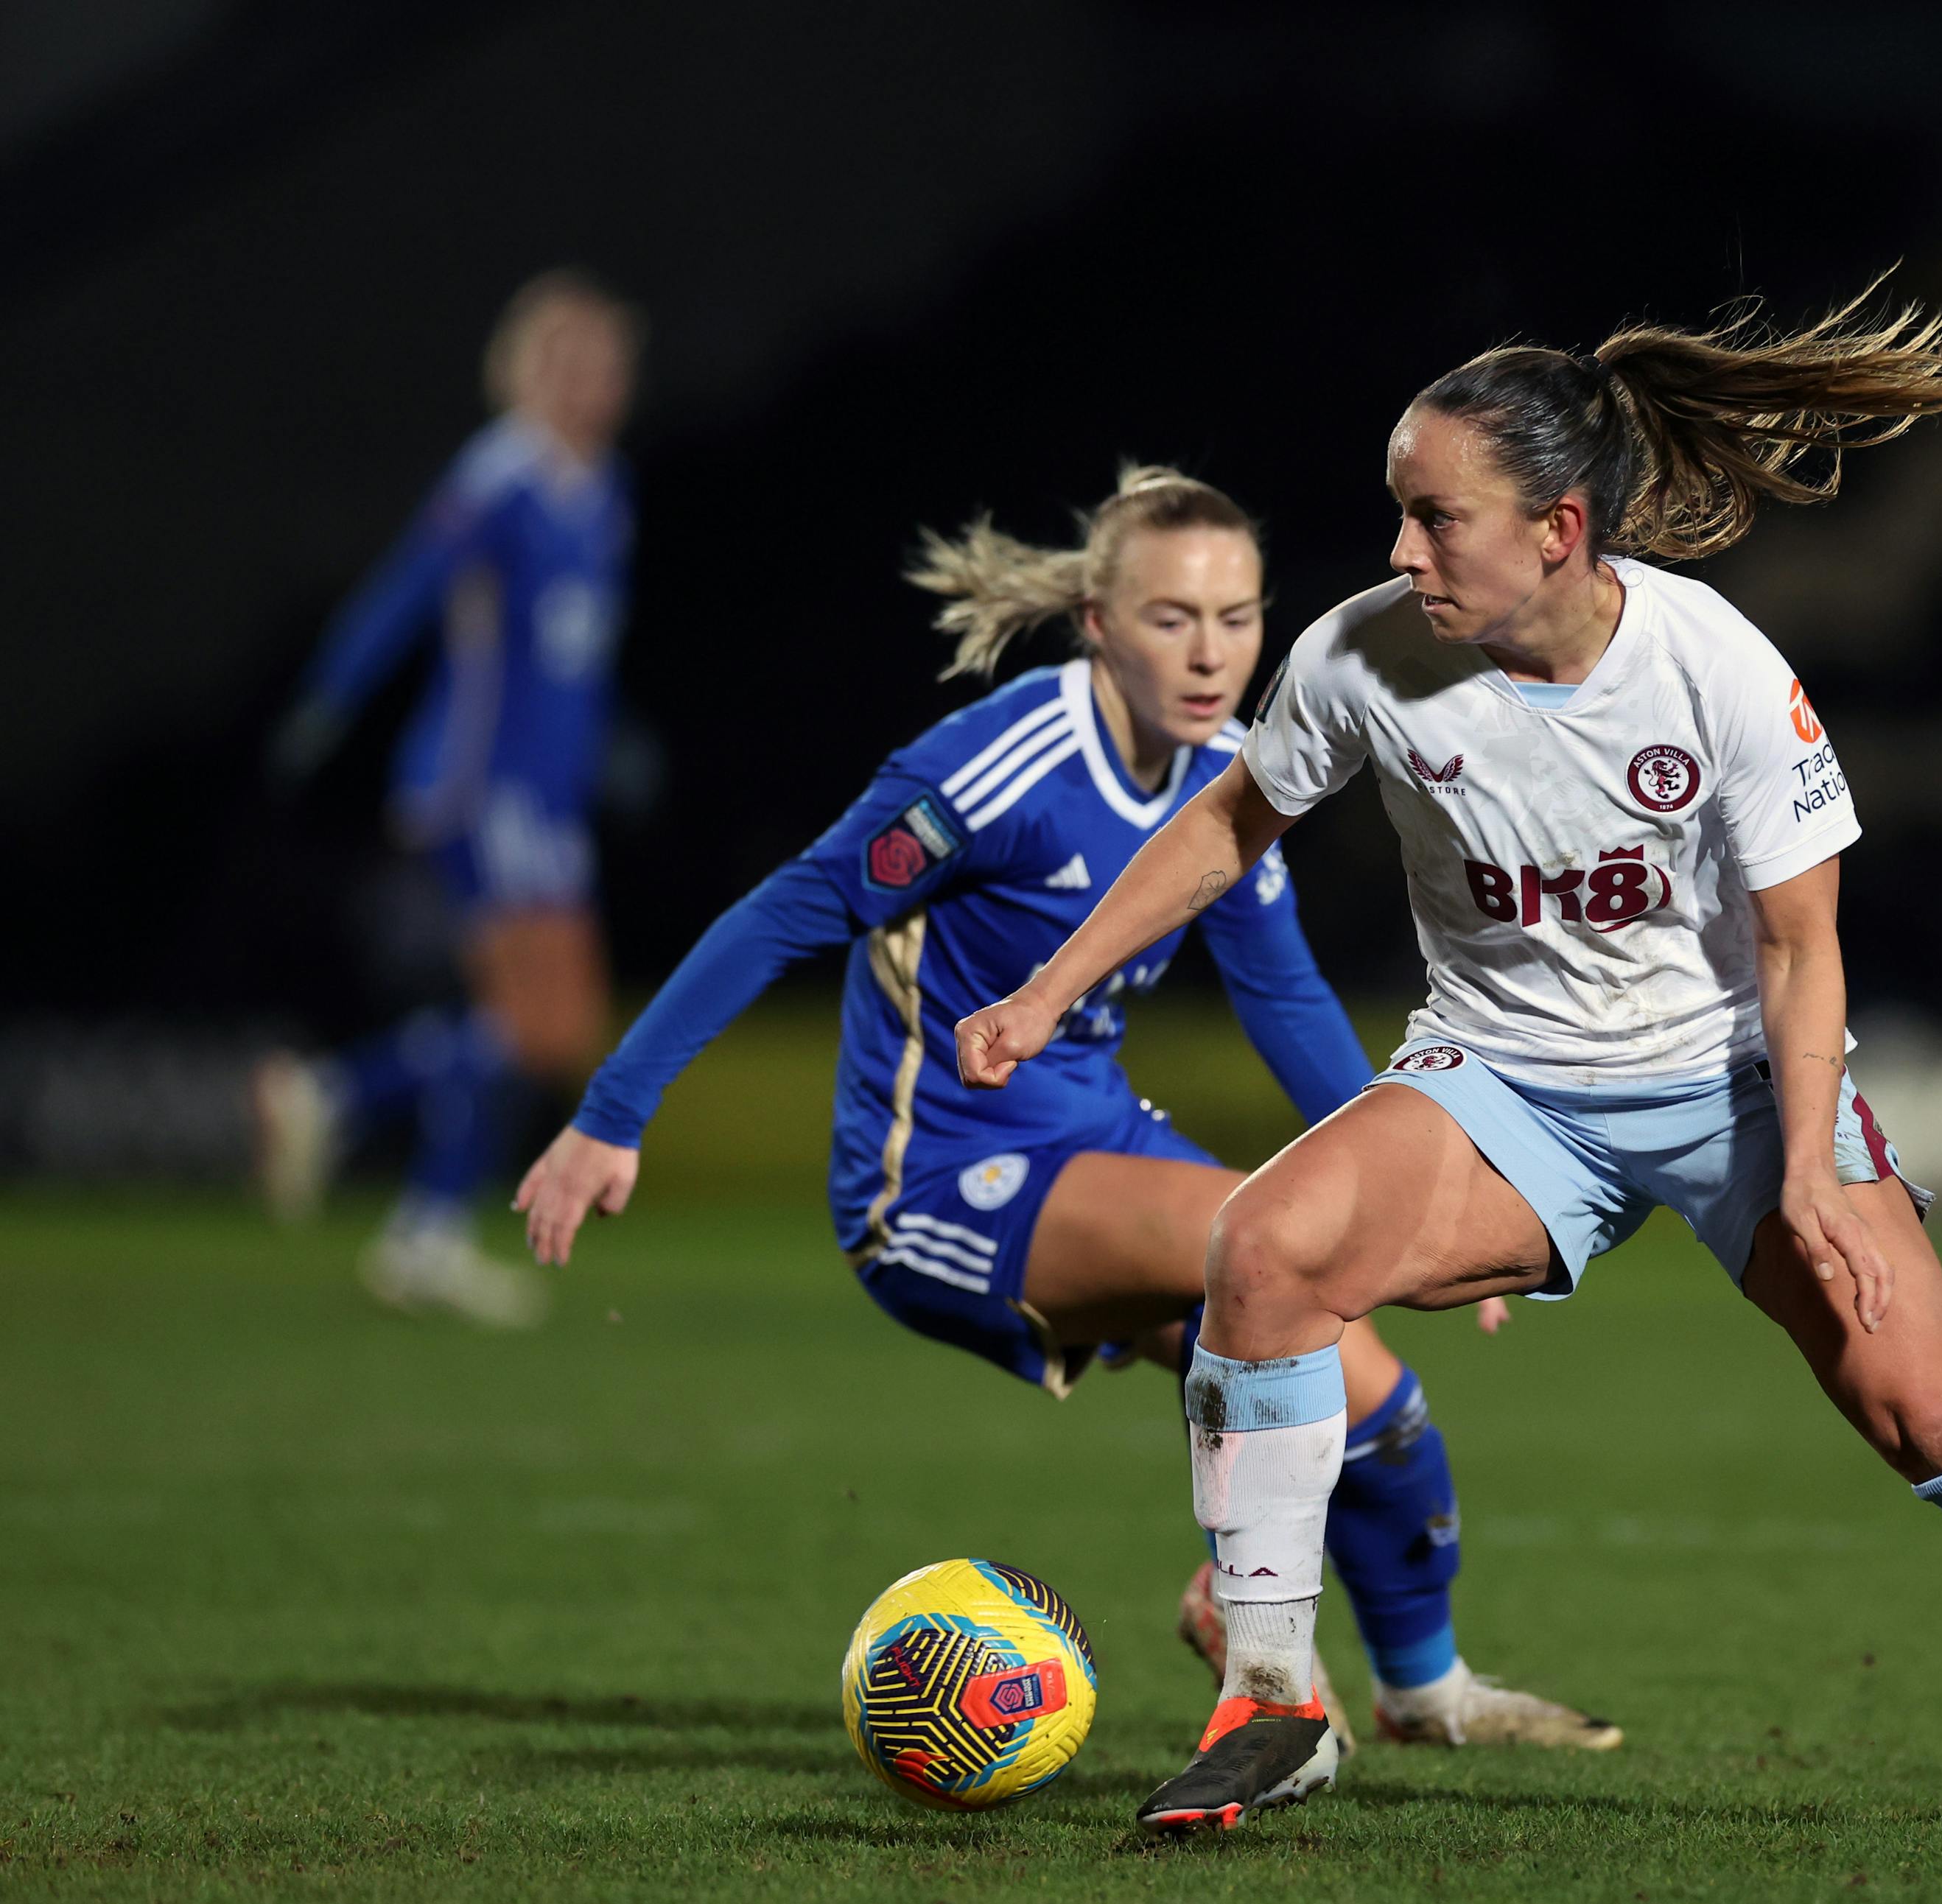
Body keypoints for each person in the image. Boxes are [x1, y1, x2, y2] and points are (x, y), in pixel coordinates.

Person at [956, 285, 1942, 1845]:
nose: (1402, 551)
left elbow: (1806, 952)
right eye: (1398, 513)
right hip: (1502, 1086)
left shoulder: (1717, 671)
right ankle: (1274, 1703)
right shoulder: (1363, 659)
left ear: (1560, 527)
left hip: (1738, 1088)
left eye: (1434, 518)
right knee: (1262, 1251)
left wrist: (1807, 1171)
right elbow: (1224, 823)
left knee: (1938, 1423)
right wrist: (1051, 987)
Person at [513, 466, 1613, 1754]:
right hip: (937, 1184)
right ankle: (1271, 1688)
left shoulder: (1226, 773)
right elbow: (786, 911)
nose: (1213, 655)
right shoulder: (995, 769)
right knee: (1266, 1247)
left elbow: (1285, 997)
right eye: (1172, 619)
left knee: (1375, 1398)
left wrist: (1424, 1176)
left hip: (1096, 1146)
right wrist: (611, 1112)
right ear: (1097, 622)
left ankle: (1423, 1691)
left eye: (1240, 617)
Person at [254, 270, 641, 1328]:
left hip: (548, 795)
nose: (595, 384)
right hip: (485, 786)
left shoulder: (600, 492)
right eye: (573, 363)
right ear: (524, 372)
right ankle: (394, 1183)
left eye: (608, 365)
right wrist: (330, 693)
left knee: (546, 1032)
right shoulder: (503, 479)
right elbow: (410, 587)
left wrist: (608, 742)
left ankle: (353, 1125)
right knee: (538, 1026)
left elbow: (569, 657)